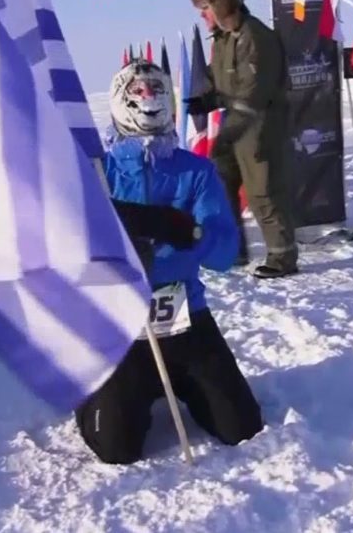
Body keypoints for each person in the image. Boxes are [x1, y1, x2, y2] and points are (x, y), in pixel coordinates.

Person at [75, 59, 264, 465]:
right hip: (120, 328)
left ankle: (182, 384)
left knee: (241, 427)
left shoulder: (195, 171)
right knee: (116, 448)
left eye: (157, 90)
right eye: (139, 92)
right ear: (121, 100)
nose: (150, 100)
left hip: (185, 319)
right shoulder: (97, 172)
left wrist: (187, 233)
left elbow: (224, 253)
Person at [183, 0, 299, 279]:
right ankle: (234, 250)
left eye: (205, 9)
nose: (203, 17)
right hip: (235, 124)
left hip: (260, 126)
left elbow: (253, 94)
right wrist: (205, 100)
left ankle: (282, 256)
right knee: (222, 185)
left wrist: (228, 133)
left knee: (263, 190)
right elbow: (222, 79)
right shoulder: (223, 39)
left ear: (219, 5)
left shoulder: (256, 37)